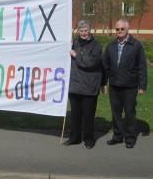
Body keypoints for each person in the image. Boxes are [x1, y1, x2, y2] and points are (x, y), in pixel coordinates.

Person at [103, 19, 147, 149]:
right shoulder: (111, 46)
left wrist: (142, 85)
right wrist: (104, 83)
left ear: (127, 30)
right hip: (114, 85)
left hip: (130, 86)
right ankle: (117, 136)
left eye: (122, 29)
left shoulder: (136, 45)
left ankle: (130, 138)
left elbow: (142, 67)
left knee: (129, 113)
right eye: (117, 29)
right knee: (115, 113)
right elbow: (106, 66)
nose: (119, 31)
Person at [63, 20, 105, 149]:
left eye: (86, 30)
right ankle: (74, 137)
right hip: (74, 86)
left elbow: (90, 62)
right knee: (75, 115)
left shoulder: (96, 46)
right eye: (81, 31)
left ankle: (89, 139)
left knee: (88, 115)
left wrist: (75, 54)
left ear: (90, 30)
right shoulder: (74, 43)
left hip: (89, 87)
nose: (83, 33)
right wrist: (67, 46)